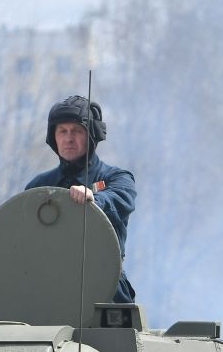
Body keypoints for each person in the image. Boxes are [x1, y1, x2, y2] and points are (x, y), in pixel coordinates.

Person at [24, 94, 139, 304]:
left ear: (91, 136)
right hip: (49, 289)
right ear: (53, 137)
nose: (69, 138)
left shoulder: (116, 178)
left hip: (104, 289)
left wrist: (94, 199)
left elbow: (122, 199)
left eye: (77, 131)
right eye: (62, 131)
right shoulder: (38, 187)